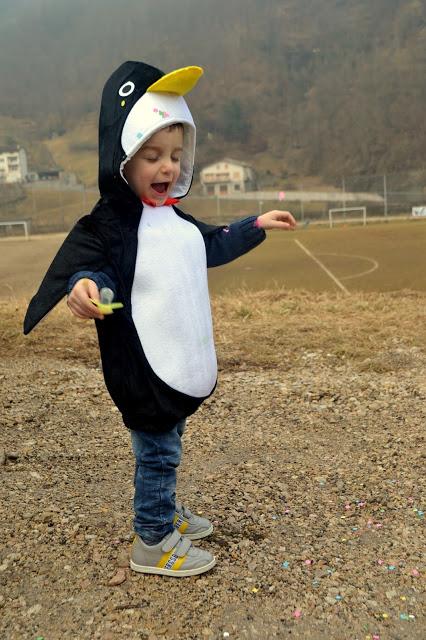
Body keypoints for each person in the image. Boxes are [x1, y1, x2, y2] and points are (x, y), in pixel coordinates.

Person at [24, 61, 296, 577]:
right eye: (151, 155)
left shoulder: (170, 214)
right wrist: (85, 288)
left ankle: (163, 510)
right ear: (122, 158)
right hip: (144, 372)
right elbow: (94, 269)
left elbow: (210, 245)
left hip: (171, 369)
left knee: (166, 443)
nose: (167, 167)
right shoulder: (112, 222)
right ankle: (152, 539)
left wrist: (255, 224)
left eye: (175, 154)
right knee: (158, 453)